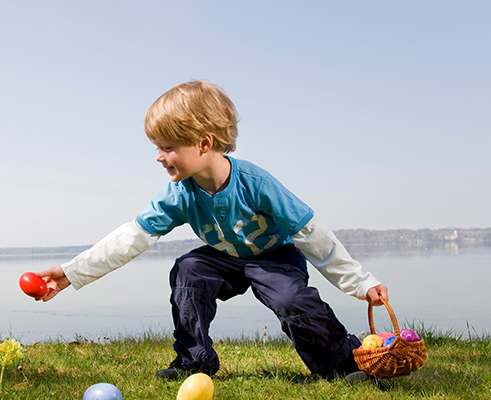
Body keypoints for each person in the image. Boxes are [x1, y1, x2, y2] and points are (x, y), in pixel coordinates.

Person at [36, 80, 389, 381]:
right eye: (157, 147)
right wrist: (70, 273)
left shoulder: (256, 183)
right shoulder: (179, 193)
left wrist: (360, 282)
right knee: (189, 269)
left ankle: (343, 362)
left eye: (168, 147)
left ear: (204, 143)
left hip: (275, 258)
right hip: (223, 258)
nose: (159, 156)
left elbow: (311, 233)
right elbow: (132, 237)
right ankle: (193, 361)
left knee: (291, 300)